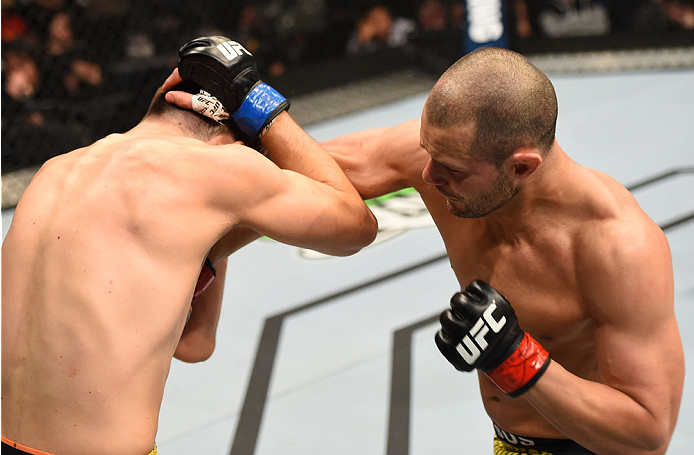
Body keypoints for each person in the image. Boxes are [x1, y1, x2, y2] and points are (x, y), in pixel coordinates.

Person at [169, 45, 685, 454]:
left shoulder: (615, 247)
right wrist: (245, 109)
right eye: (428, 153)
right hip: (508, 443)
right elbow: (307, 174)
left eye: (451, 171)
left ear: (522, 167)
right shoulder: (445, 159)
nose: (426, 178)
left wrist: (517, 360)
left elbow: (646, 433)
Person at [0, 36, 377, 455]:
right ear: (233, 138)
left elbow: (195, 344)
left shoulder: (56, 170)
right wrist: (261, 105)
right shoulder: (215, 170)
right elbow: (357, 226)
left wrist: (223, 231)